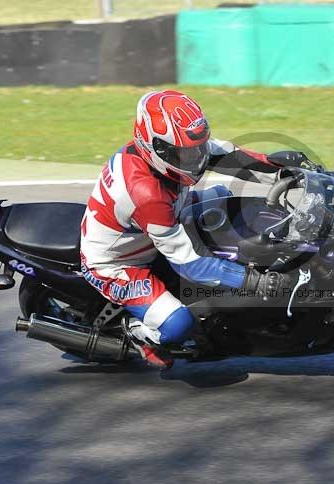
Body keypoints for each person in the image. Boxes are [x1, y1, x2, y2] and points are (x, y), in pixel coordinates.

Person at [79, 90, 306, 369]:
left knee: (232, 203)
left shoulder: (172, 151)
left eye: (197, 149)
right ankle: (139, 335)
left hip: (163, 221)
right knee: (177, 325)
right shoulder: (146, 193)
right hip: (118, 263)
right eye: (186, 153)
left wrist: (281, 169)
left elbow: (231, 157)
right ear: (154, 146)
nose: (196, 158)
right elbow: (191, 266)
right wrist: (252, 281)